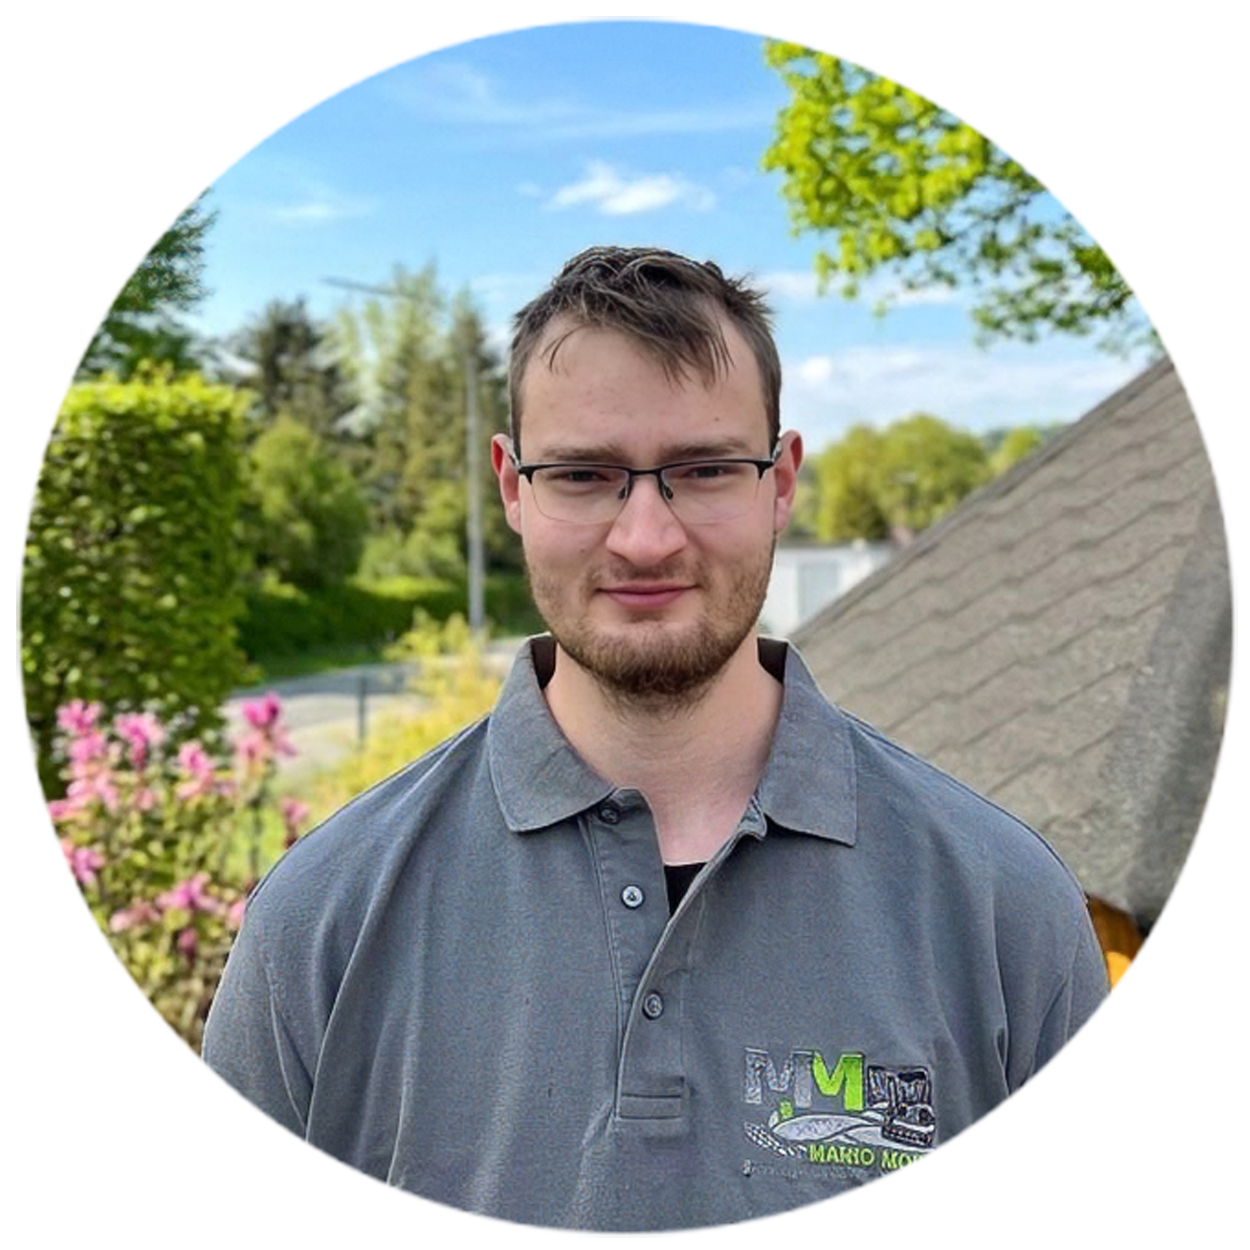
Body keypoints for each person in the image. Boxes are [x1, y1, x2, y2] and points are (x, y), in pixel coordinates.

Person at [170, 246, 1172, 1237]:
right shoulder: (322, 924)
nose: (644, 536)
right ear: (512, 486)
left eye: (701, 468)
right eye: (581, 473)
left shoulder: (996, 905)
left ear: (779, 480)